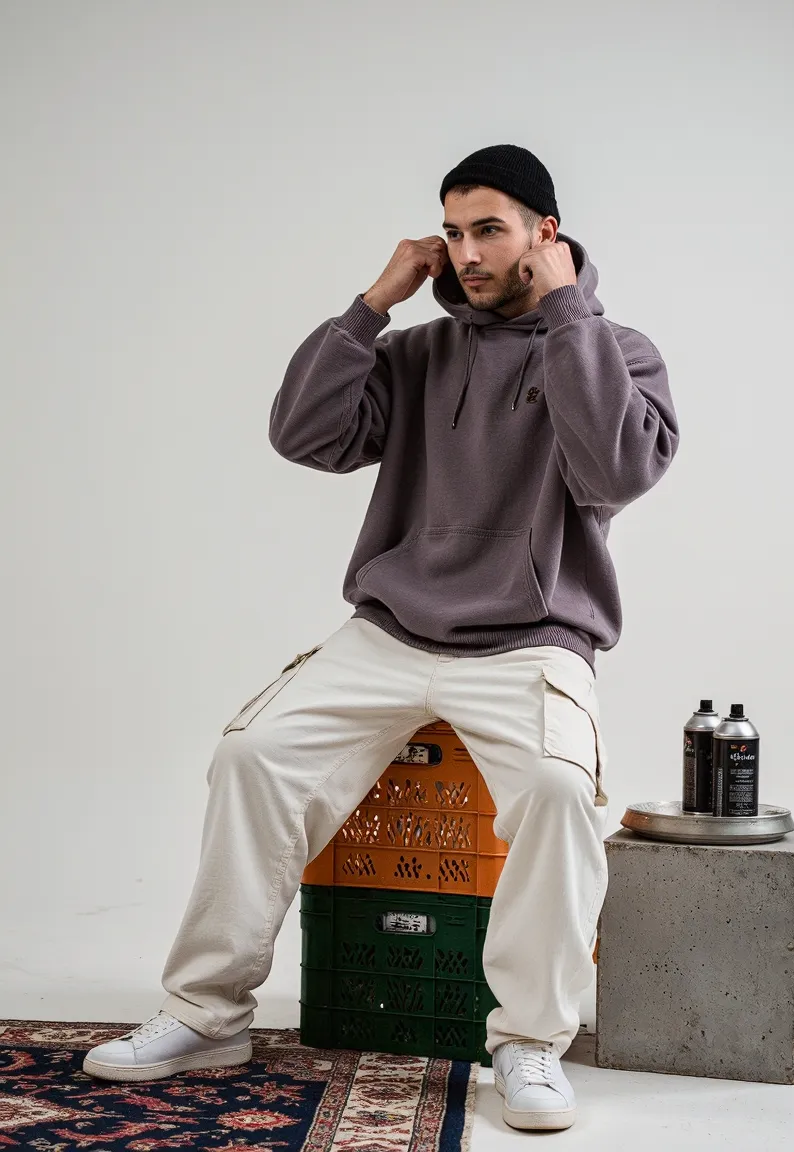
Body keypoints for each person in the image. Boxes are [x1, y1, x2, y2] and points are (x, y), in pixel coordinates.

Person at [82, 144, 680, 1131]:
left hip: (532, 639)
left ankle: (527, 1041)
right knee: (252, 754)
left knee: (559, 790)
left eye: (488, 227)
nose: (466, 250)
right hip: (392, 631)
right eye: (451, 231)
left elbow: (613, 473)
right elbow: (304, 436)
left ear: (545, 231)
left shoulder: (616, 352)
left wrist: (568, 309)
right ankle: (206, 1012)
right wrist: (372, 304)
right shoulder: (412, 354)